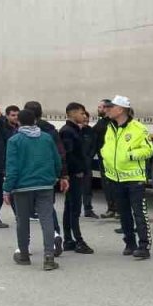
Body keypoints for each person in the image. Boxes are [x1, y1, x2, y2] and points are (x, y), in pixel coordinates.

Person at [3, 108, 67, 270]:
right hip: (45, 184)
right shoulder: (46, 138)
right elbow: (56, 159)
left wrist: (7, 189)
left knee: (22, 220)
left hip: (22, 186)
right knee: (47, 220)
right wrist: (58, 176)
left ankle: (24, 254)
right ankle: (49, 257)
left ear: (19, 121)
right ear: (35, 121)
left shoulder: (14, 140)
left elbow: (12, 168)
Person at [101, 95, 153, 260]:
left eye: (111, 107)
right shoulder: (110, 127)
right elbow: (107, 147)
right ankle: (129, 243)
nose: (108, 110)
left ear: (121, 109)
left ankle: (144, 245)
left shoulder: (138, 128)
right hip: (115, 177)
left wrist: (130, 155)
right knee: (123, 213)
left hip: (133, 178)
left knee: (139, 212)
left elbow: (149, 149)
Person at [25, 101, 66, 256]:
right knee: (48, 209)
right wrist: (62, 174)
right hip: (46, 177)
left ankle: (24, 246)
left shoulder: (20, 132)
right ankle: (55, 236)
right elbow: (59, 154)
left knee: (23, 213)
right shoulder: (50, 131)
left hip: (26, 179)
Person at [59, 102, 94, 254]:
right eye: (81, 113)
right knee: (74, 209)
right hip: (74, 175)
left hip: (75, 173)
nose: (83, 115)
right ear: (72, 114)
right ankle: (78, 240)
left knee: (70, 207)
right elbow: (68, 155)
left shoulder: (75, 130)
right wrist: (76, 171)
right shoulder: (68, 131)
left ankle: (68, 239)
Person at [91, 99, 118, 219]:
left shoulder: (113, 123)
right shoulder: (101, 123)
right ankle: (111, 208)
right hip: (103, 158)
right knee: (106, 185)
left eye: (101, 107)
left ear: (107, 108)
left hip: (113, 159)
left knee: (115, 184)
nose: (98, 109)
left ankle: (119, 210)